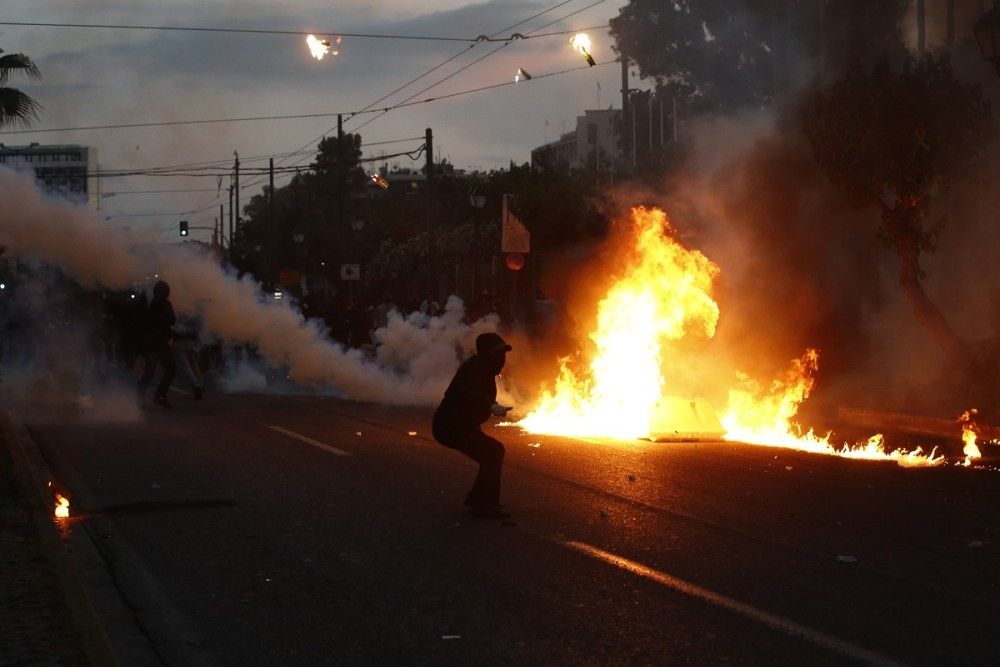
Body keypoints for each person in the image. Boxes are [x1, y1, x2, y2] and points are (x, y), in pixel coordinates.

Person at [432, 332, 513, 519]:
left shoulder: (484, 368)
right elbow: (468, 392)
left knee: (493, 452)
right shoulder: (475, 368)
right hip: (450, 426)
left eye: (504, 353)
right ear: (487, 353)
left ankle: (482, 501)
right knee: (493, 452)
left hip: (463, 425)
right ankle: (483, 505)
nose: (503, 358)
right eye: (499, 353)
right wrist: (491, 405)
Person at [137, 280, 177, 408]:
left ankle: (154, 395)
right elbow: (170, 320)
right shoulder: (158, 304)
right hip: (154, 342)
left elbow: (172, 320)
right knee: (153, 370)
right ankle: (156, 395)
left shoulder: (156, 304)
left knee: (156, 369)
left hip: (157, 342)